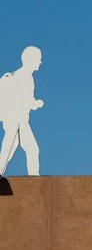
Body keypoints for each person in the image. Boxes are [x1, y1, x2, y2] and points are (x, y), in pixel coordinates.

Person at [0, 46, 44, 176]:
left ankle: (34, 179)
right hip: (16, 121)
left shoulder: (19, 75)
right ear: (31, 60)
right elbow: (24, 100)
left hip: (19, 120)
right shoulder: (24, 77)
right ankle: (34, 180)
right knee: (11, 150)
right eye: (38, 59)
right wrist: (36, 103)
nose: (40, 62)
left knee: (27, 149)